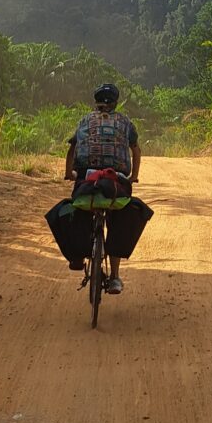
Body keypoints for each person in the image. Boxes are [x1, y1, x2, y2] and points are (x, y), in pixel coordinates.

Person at [63, 82, 142, 295]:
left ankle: (78, 255)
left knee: (79, 207)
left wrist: (69, 173)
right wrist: (133, 177)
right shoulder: (125, 122)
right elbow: (136, 151)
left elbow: (72, 150)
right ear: (116, 103)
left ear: (95, 102)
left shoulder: (84, 121)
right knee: (117, 221)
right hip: (116, 180)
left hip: (87, 179)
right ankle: (115, 277)